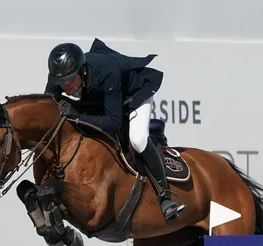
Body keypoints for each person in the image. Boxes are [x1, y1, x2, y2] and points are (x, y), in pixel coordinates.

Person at [43, 39, 185, 222]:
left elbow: (114, 122)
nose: (65, 87)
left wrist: (77, 117)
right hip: (101, 98)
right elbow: (48, 105)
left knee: (138, 139)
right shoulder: (60, 75)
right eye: (60, 82)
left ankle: (165, 196)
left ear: (82, 70)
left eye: (69, 81)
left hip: (132, 96)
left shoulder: (107, 73)